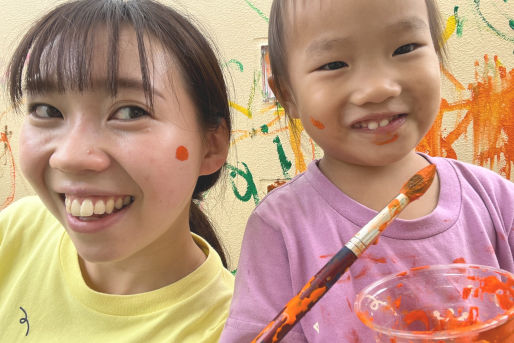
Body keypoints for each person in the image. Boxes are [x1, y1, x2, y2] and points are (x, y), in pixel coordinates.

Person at [219, 0, 514, 342]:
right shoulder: (279, 228)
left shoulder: (497, 200)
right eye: (334, 64)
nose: (378, 88)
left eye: (405, 48)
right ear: (288, 95)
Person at [0, 0, 234, 341]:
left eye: (129, 113)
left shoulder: (236, 330)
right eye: (47, 109)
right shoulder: (17, 232)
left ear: (210, 146)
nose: (70, 157)